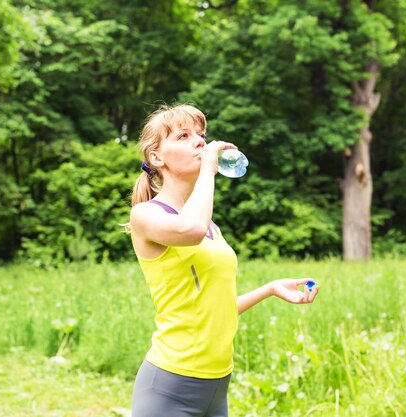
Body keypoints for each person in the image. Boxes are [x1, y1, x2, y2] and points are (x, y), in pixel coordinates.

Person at [128, 104, 320, 417]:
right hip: (170, 384)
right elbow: (190, 229)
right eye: (184, 135)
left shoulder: (210, 227)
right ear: (157, 157)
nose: (200, 142)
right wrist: (208, 169)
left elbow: (216, 308)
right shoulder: (147, 215)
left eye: (201, 135)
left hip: (217, 385)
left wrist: (269, 289)